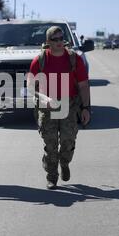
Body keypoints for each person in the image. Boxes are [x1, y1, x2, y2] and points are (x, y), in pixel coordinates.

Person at [27, 26, 91, 190]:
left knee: (68, 141)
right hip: (46, 107)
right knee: (51, 144)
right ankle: (52, 176)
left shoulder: (73, 59)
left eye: (61, 38)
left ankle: (65, 162)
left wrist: (86, 108)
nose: (59, 42)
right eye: (55, 39)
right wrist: (44, 98)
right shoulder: (40, 60)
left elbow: (83, 85)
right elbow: (29, 87)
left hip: (69, 105)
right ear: (48, 42)